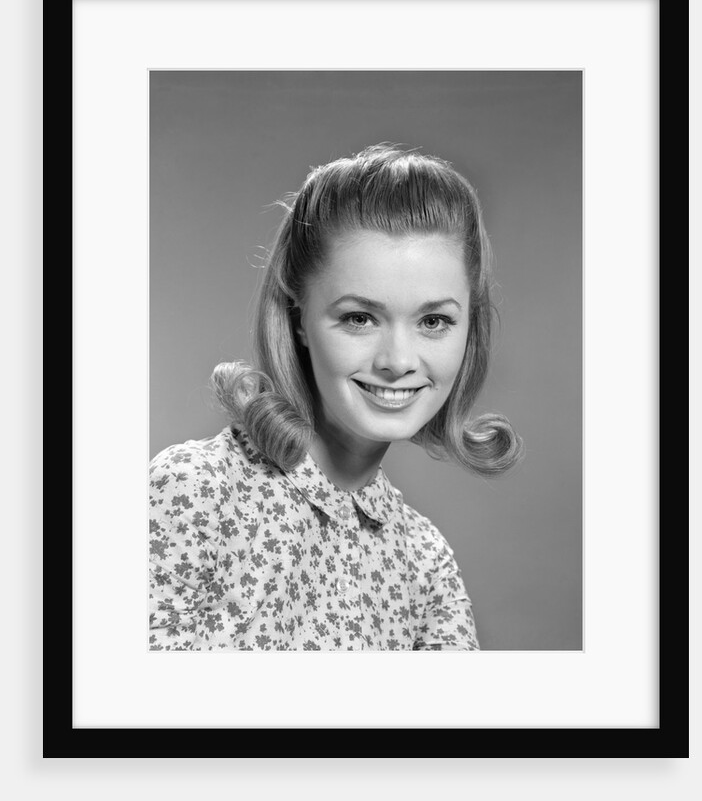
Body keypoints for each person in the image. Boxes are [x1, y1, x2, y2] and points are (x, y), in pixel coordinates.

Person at [149, 143, 523, 651]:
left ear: (469, 329)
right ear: (298, 317)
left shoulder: (426, 565)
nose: (398, 360)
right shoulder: (194, 493)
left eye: (434, 321)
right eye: (359, 318)